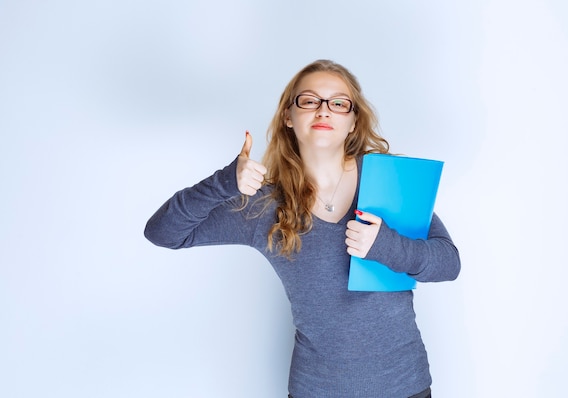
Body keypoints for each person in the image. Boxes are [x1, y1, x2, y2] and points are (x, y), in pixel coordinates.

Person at [144, 59, 460, 398]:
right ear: (288, 116)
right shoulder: (264, 204)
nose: (324, 111)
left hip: (406, 387)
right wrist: (224, 183)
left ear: (353, 121)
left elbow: (448, 263)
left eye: (338, 103)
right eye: (309, 101)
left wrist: (385, 245)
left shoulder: (387, 179)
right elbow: (163, 232)